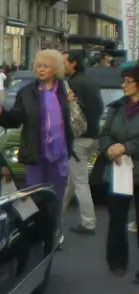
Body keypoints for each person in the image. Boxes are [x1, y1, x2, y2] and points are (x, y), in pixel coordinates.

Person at [0, 49, 74, 213]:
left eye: (46, 66)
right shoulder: (26, 92)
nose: (41, 69)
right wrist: (1, 115)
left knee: (55, 202)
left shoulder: (66, 90)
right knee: (34, 203)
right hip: (35, 157)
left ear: (55, 69)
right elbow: (15, 119)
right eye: (38, 66)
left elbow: (78, 118)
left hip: (59, 159)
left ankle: (52, 235)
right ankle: (34, 236)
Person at [99, 64, 139, 278]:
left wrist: (126, 147)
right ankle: (117, 262)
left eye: (128, 81)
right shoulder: (116, 107)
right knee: (117, 218)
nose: (123, 85)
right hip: (119, 169)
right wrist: (109, 149)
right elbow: (104, 134)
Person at [63, 51, 104, 235]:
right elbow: (99, 108)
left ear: (73, 64)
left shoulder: (72, 84)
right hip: (93, 135)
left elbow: (66, 111)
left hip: (78, 138)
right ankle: (57, 214)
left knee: (80, 182)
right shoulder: (92, 81)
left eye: (64, 62)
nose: (62, 65)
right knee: (72, 181)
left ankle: (88, 223)